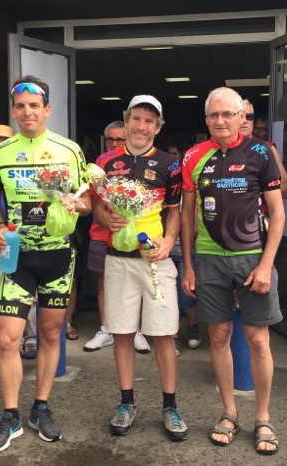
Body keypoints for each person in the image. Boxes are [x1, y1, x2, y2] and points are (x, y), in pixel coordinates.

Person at [0, 75, 91, 453]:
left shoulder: (70, 150)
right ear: (13, 111)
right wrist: (0, 226)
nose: (27, 112)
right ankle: (10, 414)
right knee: (7, 338)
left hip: (58, 255)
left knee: (49, 333)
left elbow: (88, 200)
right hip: (17, 256)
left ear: (47, 109)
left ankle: (40, 407)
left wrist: (78, 204)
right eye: (20, 106)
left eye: (34, 105)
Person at [181, 87, 284, 455]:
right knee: (220, 335)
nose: (221, 120)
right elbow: (187, 216)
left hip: (253, 257)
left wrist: (266, 265)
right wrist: (188, 266)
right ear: (206, 119)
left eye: (228, 114)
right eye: (214, 115)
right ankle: (229, 412)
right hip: (209, 259)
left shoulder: (261, 152)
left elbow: (278, 213)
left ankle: (263, 417)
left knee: (258, 340)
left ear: (242, 117)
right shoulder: (193, 155)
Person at [94, 95, 187, 441]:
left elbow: (175, 210)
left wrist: (169, 241)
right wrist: (106, 219)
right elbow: (97, 206)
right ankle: (126, 403)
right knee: (121, 333)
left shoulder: (170, 164)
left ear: (157, 127)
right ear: (126, 121)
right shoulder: (106, 162)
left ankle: (170, 406)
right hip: (118, 259)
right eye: (136, 118)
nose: (141, 126)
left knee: (163, 335)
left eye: (149, 121)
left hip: (155, 261)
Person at [84, 120, 151, 354]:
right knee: (103, 284)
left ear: (128, 139)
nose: (114, 143)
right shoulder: (100, 164)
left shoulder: (138, 162)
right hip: (101, 234)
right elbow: (92, 200)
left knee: (137, 284)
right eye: (110, 139)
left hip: (133, 235)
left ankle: (137, 330)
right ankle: (106, 330)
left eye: (119, 139)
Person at [0, 124, 39, 359]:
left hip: (25, 240)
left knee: (29, 292)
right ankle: (12, 337)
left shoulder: (24, 166)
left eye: (1, 142)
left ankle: (31, 336)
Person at [167, 141, 200, 356]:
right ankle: (173, 336)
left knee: (188, 292)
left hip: (188, 249)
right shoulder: (166, 182)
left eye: (175, 154)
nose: (173, 159)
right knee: (168, 296)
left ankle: (193, 326)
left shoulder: (194, 184)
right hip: (166, 250)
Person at [240, 101, 287, 200]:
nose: (244, 121)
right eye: (240, 117)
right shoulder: (220, 148)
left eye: (249, 117)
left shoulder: (267, 148)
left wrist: (254, 188)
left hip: (260, 208)